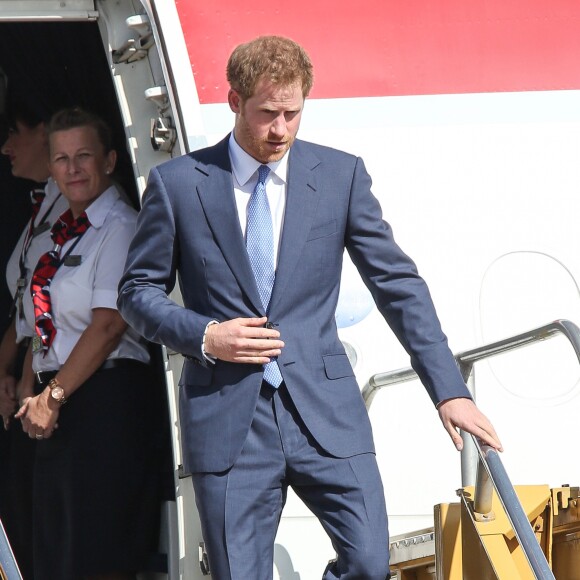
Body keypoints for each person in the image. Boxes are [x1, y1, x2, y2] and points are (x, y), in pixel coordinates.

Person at [117, 36, 502, 580]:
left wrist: (449, 391)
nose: (280, 130)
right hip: (230, 420)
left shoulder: (340, 176)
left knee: (369, 565)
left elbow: (397, 284)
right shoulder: (178, 184)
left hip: (327, 414)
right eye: (267, 114)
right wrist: (206, 336)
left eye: (292, 114)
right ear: (233, 102)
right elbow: (136, 293)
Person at [15, 107, 165, 580]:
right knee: (58, 557)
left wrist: (54, 394)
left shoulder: (119, 225)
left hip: (103, 402)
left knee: (96, 557)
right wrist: (30, 386)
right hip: (62, 403)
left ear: (109, 160)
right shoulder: (64, 233)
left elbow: (107, 326)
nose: (72, 169)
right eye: (61, 159)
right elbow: (46, 321)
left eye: (84, 156)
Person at [0, 101, 69, 579]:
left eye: (14, 133)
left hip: (48, 377)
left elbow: (50, 311)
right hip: (24, 371)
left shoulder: (73, 207)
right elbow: (22, 308)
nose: (5, 147)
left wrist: (24, 379)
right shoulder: (43, 202)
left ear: (45, 130)